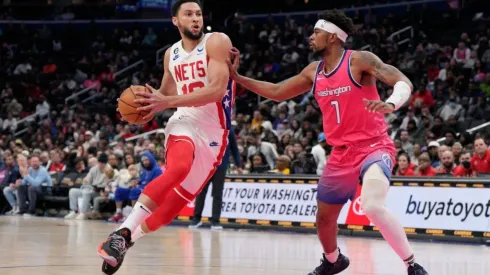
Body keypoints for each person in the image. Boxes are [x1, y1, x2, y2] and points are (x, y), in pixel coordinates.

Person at [226, 9, 428, 275]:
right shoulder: (313, 71)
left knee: (371, 204)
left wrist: (390, 103)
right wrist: (238, 78)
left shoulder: (359, 60)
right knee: (324, 217)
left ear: (332, 37)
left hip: (373, 145)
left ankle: (412, 264)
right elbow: (276, 92)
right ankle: (333, 260)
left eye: (316, 32)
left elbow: (402, 81)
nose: (310, 37)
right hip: (340, 154)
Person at [97, 0, 235, 274]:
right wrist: (143, 108)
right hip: (184, 121)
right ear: (176, 21)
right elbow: (164, 94)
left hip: (215, 133)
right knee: (179, 167)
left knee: (175, 205)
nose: (195, 18)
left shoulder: (217, 41)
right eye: (188, 14)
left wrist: (165, 100)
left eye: (198, 14)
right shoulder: (170, 54)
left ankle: (128, 242)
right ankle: (122, 231)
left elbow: (217, 90)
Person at [189, 129, 242, 230]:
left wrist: (239, 164)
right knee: (201, 193)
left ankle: (215, 221)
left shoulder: (229, 131)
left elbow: (234, 149)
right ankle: (196, 219)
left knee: (217, 194)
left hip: (220, 167)